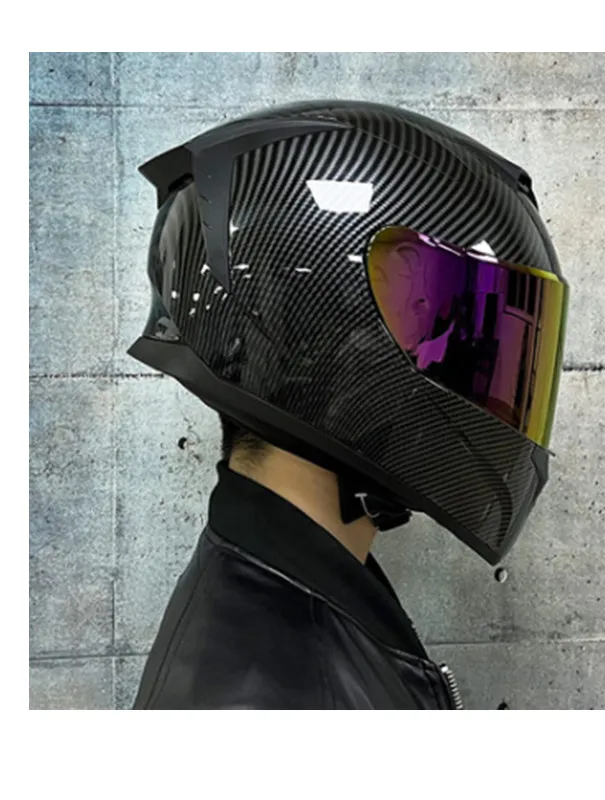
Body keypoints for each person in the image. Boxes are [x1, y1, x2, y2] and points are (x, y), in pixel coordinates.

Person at [128, 100, 569, 710]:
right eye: (448, 339)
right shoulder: (276, 694)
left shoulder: (284, 588)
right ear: (347, 360)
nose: (484, 388)